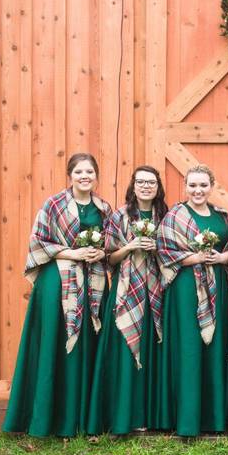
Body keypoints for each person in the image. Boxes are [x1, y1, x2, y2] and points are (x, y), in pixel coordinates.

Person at [3, 153, 111, 437]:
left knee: (87, 343)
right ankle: (48, 420)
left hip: (93, 283)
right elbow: (38, 243)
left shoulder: (103, 208)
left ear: (96, 176)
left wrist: (101, 252)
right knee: (56, 343)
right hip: (58, 282)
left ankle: (80, 420)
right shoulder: (53, 205)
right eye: (78, 172)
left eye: (89, 171)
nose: (84, 176)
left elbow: (112, 243)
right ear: (70, 175)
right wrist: (72, 253)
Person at [87, 166, 168, 435]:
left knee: (153, 350)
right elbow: (108, 257)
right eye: (141, 182)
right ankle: (123, 416)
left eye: (151, 182)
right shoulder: (119, 216)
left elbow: (174, 253)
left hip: (157, 290)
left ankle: (152, 415)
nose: (146, 186)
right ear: (133, 186)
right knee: (124, 350)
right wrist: (130, 246)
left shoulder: (166, 217)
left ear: (158, 187)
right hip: (126, 290)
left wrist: (157, 248)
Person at [157, 165, 228, 436]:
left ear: (212, 185)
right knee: (189, 347)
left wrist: (222, 258)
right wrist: (196, 258)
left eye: (203, 185)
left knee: (215, 348)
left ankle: (213, 419)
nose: (198, 190)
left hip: (218, 287)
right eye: (192, 185)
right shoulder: (174, 217)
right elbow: (164, 252)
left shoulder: (222, 217)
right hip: (186, 288)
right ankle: (187, 420)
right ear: (185, 186)